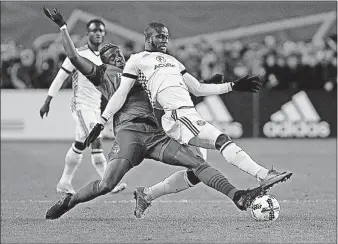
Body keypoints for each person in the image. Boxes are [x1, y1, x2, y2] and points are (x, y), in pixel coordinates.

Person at [43, 7, 268, 220]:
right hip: (128, 134)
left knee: (197, 163)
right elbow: (73, 58)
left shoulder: (138, 70)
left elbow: (169, 91)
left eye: (119, 55)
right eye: (112, 57)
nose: (118, 59)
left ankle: (237, 196)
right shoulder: (101, 74)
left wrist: (205, 84)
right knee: (106, 185)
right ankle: (70, 201)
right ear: (104, 63)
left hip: (155, 133)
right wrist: (63, 27)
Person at [85, 21, 293, 209]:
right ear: (147, 38)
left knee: (196, 173)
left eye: (166, 36)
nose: (164, 39)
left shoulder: (174, 61)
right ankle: (263, 175)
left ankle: (147, 195)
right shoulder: (137, 60)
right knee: (221, 140)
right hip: (178, 117)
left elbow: (198, 88)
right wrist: (102, 121)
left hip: (187, 113)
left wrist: (233, 85)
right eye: (160, 36)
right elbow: (121, 93)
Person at [39, 15, 126, 194]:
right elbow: (61, 77)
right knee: (96, 142)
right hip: (81, 106)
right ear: (88, 33)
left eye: (101, 30)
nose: (98, 33)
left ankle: (64, 181)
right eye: (94, 30)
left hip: (95, 106)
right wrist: (48, 100)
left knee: (79, 145)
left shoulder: (105, 57)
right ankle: (109, 183)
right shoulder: (78, 54)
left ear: (104, 34)